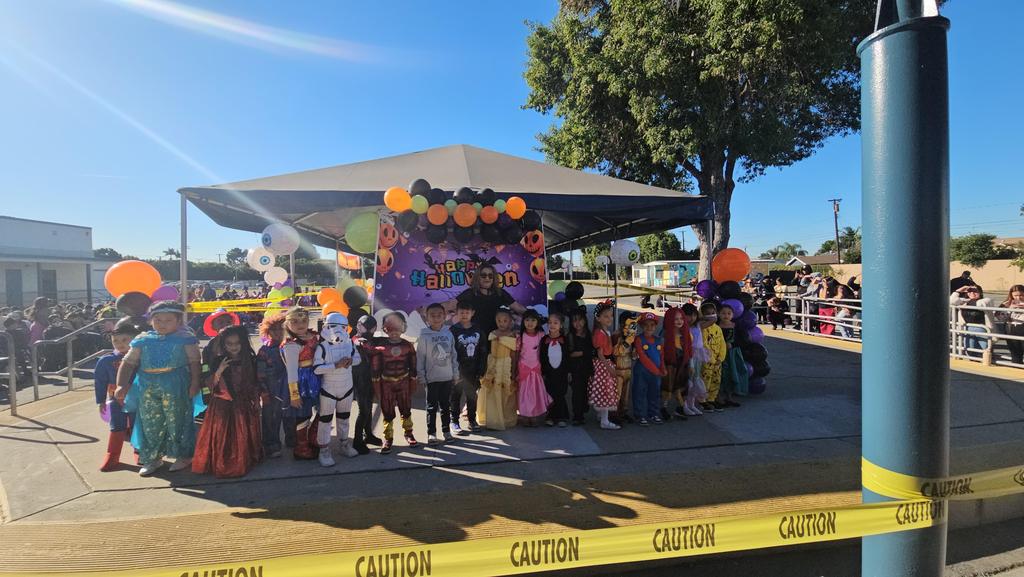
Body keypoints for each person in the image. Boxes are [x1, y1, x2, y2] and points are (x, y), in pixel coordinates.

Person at [113, 301, 201, 477]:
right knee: (149, 421)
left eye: (168, 320)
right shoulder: (143, 340)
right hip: (147, 385)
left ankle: (184, 455)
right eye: (158, 320)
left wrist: (195, 383)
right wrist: (121, 384)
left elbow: (194, 362)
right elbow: (128, 363)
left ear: (178, 321)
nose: (162, 324)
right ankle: (152, 457)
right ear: (151, 321)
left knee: (178, 419)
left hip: (176, 384)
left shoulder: (185, 338)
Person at [192, 326, 263, 478]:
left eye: (237, 343)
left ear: (243, 343)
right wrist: (219, 371)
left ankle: (244, 458)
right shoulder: (218, 360)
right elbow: (209, 383)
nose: (233, 347)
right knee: (223, 435)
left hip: (243, 403)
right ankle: (223, 461)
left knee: (243, 433)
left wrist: (256, 399)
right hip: (222, 404)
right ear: (224, 345)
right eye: (229, 344)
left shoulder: (250, 359)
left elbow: (253, 381)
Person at [313, 312, 360, 466]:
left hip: (347, 387)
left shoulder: (350, 344)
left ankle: (344, 444)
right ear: (326, 327)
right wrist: (336, 365)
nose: (338, 331)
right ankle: (324, 450)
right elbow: (317, 369)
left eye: (342, 327)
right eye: (333, 326)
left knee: (344, 418)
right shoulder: (322, 347)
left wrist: (350, 361)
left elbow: (358, 359)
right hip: (329, 388)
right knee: (325, 420)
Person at [94, 320, 141, 471]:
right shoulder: (106, 361)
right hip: (115, 399)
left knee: (137, 424)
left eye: (125, 340)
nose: (120, 344)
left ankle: (139, 451)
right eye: (115, 341)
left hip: (138, 399)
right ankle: (112, 455)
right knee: (116, 425)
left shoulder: (141, 358)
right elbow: (100, 381)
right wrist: (100, 400)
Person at [370, 312, 418, 453]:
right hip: (387, 383)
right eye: (390, 328)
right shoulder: (381, 347)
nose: (394, 331)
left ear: (403, 327)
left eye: (397, 327)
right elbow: (375, 368)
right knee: (388, 412)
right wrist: (377, 387)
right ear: (384, 329)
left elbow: (413, 365)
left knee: (406, 409)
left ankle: (409, 433)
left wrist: (413, 381)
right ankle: (388, 438)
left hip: (403, 382)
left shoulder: (408, 346)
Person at [281, 307, 321, 460]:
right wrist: (294, 395)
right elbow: (291, 371)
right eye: (295, 321)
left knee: (324, 409)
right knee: (303, 415)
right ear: (287, 323)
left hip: (317, 377)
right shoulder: (291, 345)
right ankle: (302, 447)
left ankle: (314, 438)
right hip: (301, 383)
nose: (300, 324)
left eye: (304, 320)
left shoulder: (313, 336)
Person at [416, 303, 458, 444]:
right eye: (432, 315)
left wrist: (455, 373)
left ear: (445, 316)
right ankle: (432, 433)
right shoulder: (424, 336)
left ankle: (446, 432)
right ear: (427, 318)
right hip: (431, 379)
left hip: (447, 377)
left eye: (439, 315)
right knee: (431, 407)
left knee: (445, 406)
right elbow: (420, 357)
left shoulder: (448, 333)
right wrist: (421, 375)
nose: (436, 318)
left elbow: (453, 355)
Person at [455, 264, 527, 338]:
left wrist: (532, 316)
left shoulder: (500, 293)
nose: (487, 278)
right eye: (483, 275)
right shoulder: (470, 293)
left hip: (495, 336)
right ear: (477, 277)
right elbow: (451, 304)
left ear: (494, 278)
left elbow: (518, 308)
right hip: (475, 337)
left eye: (490, 276)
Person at [477, 308, 518, 431]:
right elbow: (490, 351)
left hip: (505, 365)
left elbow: (514, 355)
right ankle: (493, 419)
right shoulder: (493, 334)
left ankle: (505, 418)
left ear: (510, 321)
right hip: (493, 365)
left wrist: (514, 370)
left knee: (505, 391)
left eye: (505, 321)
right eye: (499, 320)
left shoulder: (512, 335)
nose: (502, 323)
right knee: (491, 390)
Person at [450, 301, 485, 435]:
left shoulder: (478, 330)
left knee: (472, 397)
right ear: (457, 313)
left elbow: (483, 350)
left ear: (472, 313)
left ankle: (472, 420)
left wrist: (481, 368)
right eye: (461, 312)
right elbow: (449, 352)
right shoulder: (453, 330)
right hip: (458, 370)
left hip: (473, 370)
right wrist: (453, 370)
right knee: (455, 396)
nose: (464, 315)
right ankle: (454, 421)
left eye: (467, 312)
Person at [256, 313, 287, 459]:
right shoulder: (264, 350)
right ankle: (271, 444)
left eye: (281, 329)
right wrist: (264, 392)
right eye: (274, 330)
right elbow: (260, 374)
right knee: (270, 417)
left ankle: (291, 439)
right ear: (268, 331)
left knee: (287, 416)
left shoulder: (289, 346)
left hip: (286, 388)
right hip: (271, 390)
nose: (278, 332)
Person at [351, 315, 382, 453]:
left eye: (372, 328)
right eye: (365, 327)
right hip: (360, 380)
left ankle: (368, 435)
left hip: (370, 379)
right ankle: (357, 441)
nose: (368, 330)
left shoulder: (371, 339)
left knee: (368, 409)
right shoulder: (355, 340)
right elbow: (361, 344)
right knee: (363, 411)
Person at [516, 309, 550, 427]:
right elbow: (517, 353)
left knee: (535, 394)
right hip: (523, 368)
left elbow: (544, 353)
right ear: (523, 321)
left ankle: (535, 415)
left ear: (537, 322)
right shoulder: (521, 336)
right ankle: (525, 415)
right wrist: (515, 369)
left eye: (533, 320)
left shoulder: (541, 335)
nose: (530, 323)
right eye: (527, 320)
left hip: (536, 368)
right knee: (524, 394)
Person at [589, 301, 620, 430]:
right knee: (606, 391)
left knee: (604, 390)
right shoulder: (599, 333)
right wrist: (608, 368)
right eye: (606, 316)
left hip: (605, 363)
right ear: (598, 318)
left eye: (611, 316)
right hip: (603, 364)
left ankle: (601, 415)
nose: (609, 318)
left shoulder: (605, 332)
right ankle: (604, 420)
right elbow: (600, 354)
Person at [631, 312, 665, 426]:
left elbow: (661, 356)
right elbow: (642, 356)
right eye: (646, 325)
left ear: (656, 326)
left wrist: (663, 368)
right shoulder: (638, 339)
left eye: (652, 325)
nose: (649, 327)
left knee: (654, 393)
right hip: (642, 371)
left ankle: (653, 413)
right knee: (639, 392)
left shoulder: (658, 340)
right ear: (641, 326)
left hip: (656, 372)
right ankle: (639, 414)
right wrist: (656, 370)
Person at [661, 307, 692, 420]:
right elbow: (661, 352)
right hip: (670, 365)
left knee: (681, 387)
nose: (679, 321)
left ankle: (680, 408)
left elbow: (689, 351)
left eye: (681, 318)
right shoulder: (665, 335)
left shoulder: (686, 334)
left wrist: (691, 365)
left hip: (682, 364)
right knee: (668, 387)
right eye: (676, 319)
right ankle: (664, 408)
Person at [540, 312, 570, 427]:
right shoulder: (544, 340)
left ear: (561, 325)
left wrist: (568, 371)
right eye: (550, 322)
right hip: (549, 372)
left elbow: (567, 357)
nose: (552, 325)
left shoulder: (564, 340)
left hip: (562, 372)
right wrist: (543, 372)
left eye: (555, 323)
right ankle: (550, 416)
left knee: (560, 393)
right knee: (550, 393)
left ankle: (561, 417)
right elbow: (542, 357)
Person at [950, 285, 994, 358]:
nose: (972, 293)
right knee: (970, 351)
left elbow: (979, 304)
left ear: (980, 292)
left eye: (975, 291)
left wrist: (965, 302)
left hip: (983, 330)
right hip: (967, 329)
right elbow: (951, 301)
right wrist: (959, 290)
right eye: (970, 291)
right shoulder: (965, 301)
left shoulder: (987, 300)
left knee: (986, 350)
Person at [566, 308, 593, 426]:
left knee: (586, 391)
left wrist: (583, 352)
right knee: (577, 392)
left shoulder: (588, 334)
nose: (577, 323)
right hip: (575, 369)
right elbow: (570, 354)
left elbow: (592, 351)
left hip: (587, 368)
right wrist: (584, 352)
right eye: (574, 321)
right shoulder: (570, 336)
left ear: (585, 320)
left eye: (580, 320)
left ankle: (583, 410)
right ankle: (577, 416)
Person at [698, 302, 727, 413]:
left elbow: (722, 343)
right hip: (707, 361)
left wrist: (721, 357)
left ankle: (712, 398)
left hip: (717, 362)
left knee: (716, 380)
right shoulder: (702, 328)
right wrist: (711, 359)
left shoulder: (718, 328)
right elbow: (703, 344)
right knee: (705, 380)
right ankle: (702, 400)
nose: (711, 315)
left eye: (713, 312)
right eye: (708, 313)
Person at [718, 304, 748, 404]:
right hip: (719, 353)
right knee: (720, 373)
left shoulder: (736, 326)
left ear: (733, 315)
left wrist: (733, 344)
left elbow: (743, 339)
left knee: (731, 372)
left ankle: (729, 396)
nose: (726, 315)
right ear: (718, 314)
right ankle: (718, 396)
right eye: (723, 313)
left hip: (732, 354)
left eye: (729, 313)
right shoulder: (716, 326)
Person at [681, 304, 707, 416]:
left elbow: (713, 319)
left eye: (694, 315)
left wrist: (700, 316)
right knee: (688, 381)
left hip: (698, 355)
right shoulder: (683, 327)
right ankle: (684, 405)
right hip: (688, 355)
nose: (691, 318)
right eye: (688, 315)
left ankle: (691, 404)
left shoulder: (698, 325)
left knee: (696, 379)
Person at [612, 311, 637, 423]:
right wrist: (627, 342)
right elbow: (615, 352)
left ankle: (623, 412)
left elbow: (634, 355)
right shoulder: (616, 335)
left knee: (626, 394)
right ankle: (615, 414)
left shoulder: (631, 336)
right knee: (617, 393)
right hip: (618, 368)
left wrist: (635, 351)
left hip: (628, 368)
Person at [999, 285, 1024, 365]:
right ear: (1011, 295)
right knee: (1015, 354)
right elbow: (1000, 318)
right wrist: (1010, 309)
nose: (1018, 298)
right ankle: (1016, 368)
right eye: (1015, 295)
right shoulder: (1006, 304)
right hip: (1011, 330)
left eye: (1021, 295)